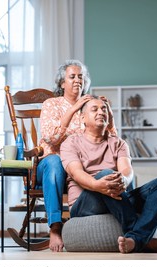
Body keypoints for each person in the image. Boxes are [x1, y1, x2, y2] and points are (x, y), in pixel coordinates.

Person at [60, 96, 157, 253]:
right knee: (107, 174)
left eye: (104, 109)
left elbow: (126, 170)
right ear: (82, 118)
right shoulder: (71, 142)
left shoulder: (119, 143)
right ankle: (146, 241)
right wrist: (97, 184)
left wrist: (124, 179)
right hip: (85, 203)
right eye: (94, 109)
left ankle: (135, 240)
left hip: (118, 195)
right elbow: (76, 173)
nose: (101, 112)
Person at [37, 60, 117, 252]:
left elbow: (113, 143)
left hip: (80, 167)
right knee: (55, 161)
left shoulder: (91, 107)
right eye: (72, 77)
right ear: (62, 83)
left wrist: (109, 115)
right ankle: (55, 227)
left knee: (105, 168)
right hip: (51, 166)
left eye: (80, 76)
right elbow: (51, 138)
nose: (77, 80)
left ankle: (112, 225)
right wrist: (73, 110)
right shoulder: (52, 104)